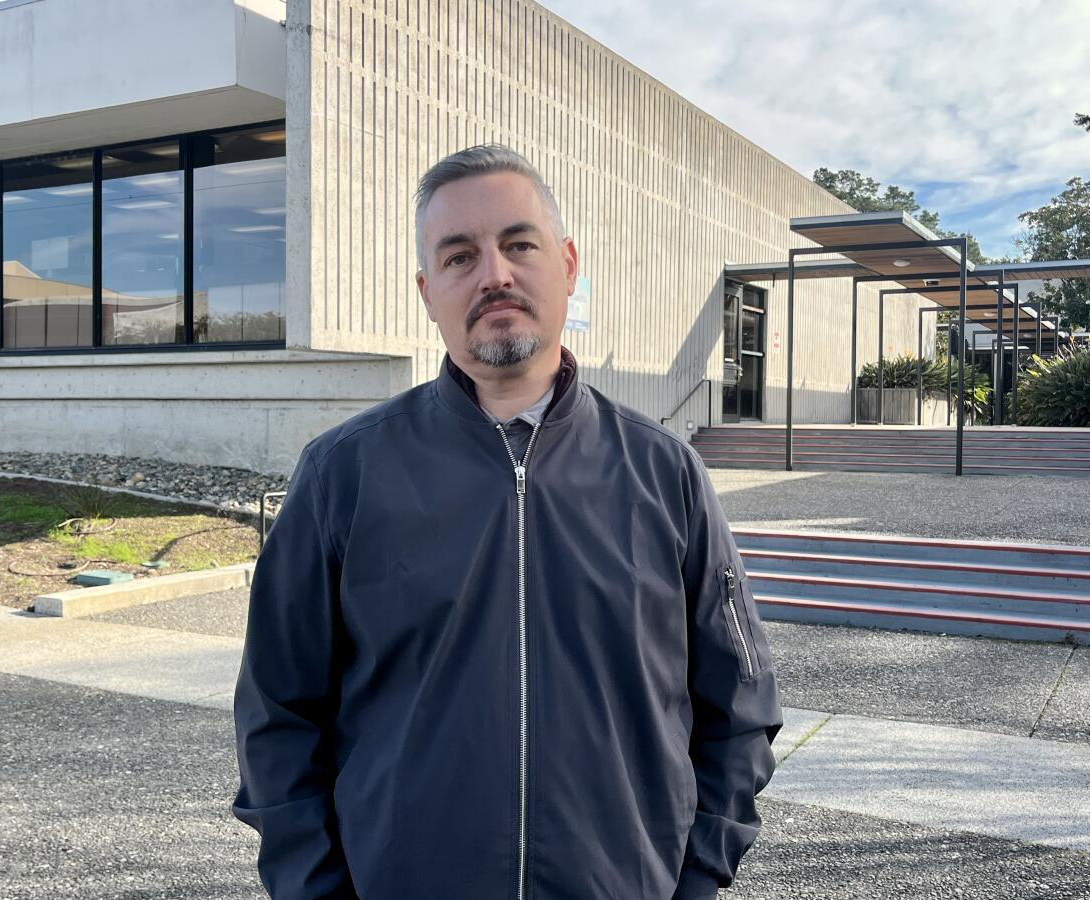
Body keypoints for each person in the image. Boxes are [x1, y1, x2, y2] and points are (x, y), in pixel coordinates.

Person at [232, 144, 782, 900]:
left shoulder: (666, 474)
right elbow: (276, 712)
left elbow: (740, 706)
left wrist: (694, 880)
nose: (494, 274)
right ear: (428, 291)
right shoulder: (343, 476)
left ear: (566, 263)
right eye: (459, 257)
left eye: (518, 245)